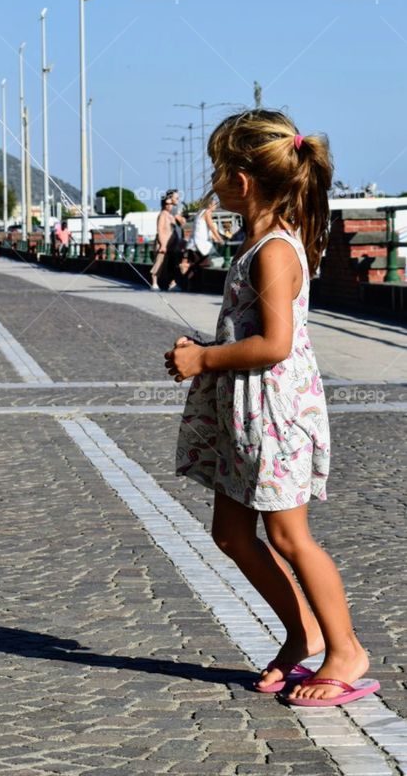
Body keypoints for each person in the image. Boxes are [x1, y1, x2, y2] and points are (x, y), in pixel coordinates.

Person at [166, 111, 379, 707]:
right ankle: (301, 632)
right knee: (232, 532)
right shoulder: (257, 241)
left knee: (289, 536)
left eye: (216, 169)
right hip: (247, 409)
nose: (211, 179)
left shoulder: (275, 250)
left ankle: (344, 649)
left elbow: (277, 344)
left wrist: (205, 362)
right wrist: (208, 352)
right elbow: (254, 333)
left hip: (276, 413)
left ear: (242, 179)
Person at [150, 191, 183, 290]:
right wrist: (163, 245)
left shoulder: (170, 215)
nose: (169, 206)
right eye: (167, 204)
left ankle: (172, 283)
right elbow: (160, 229)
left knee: (169, 264)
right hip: (162, 243)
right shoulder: (163, 215)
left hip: (170, 245)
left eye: (171, 204)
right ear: (163, 204)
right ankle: (154, 283)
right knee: (159, 263)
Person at [189, 193, 223, 267]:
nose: (216, 206)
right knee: (216, 258)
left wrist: (214, 238)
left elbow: (205, 229)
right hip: (200, 244)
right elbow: (211, 226)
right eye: (214, 204)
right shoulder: (207, 212)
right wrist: (220, 239)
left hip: (195, 243)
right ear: (210, 205)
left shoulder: (200, 212)